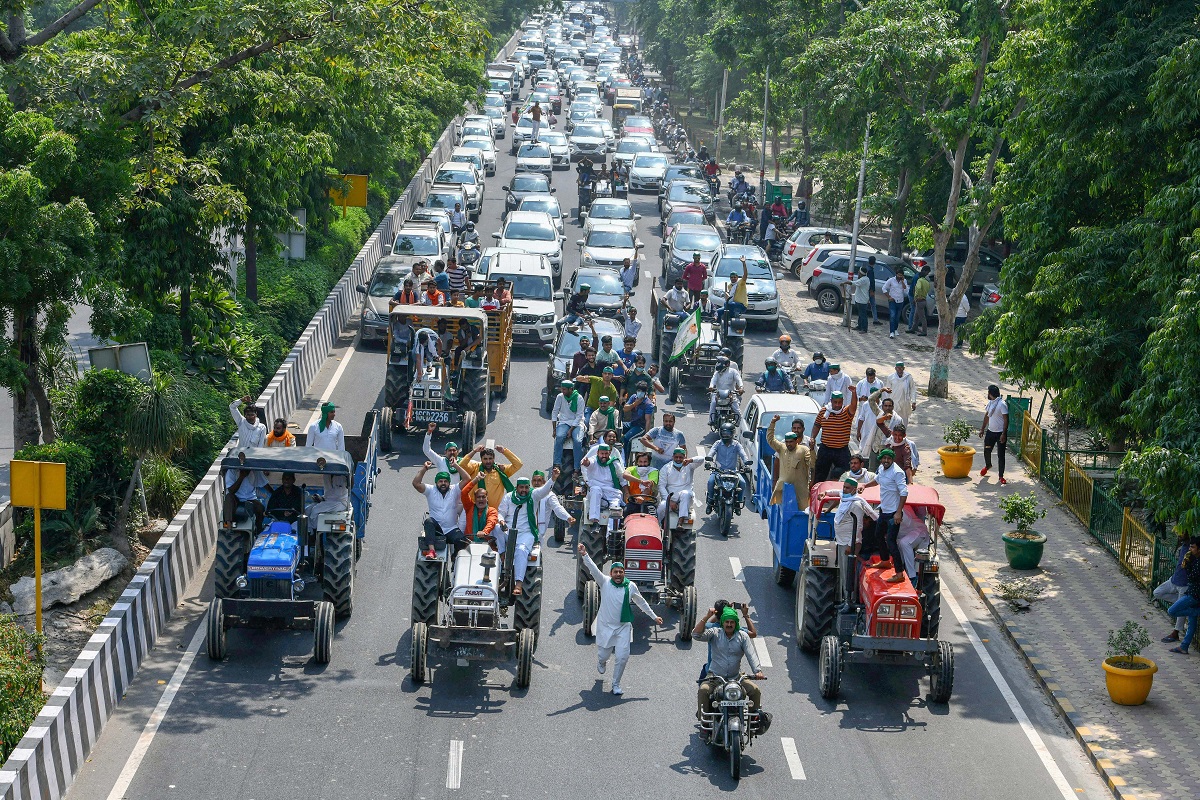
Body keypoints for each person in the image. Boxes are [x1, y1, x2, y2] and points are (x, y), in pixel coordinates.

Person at [578, 545, 662, 695]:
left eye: (621, 572)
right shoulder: (604, 582)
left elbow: (641, 602)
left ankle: (616, 684)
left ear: (624, 573)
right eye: (615, 572)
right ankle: (601, 661)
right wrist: (585, 554)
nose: (618, 574)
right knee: (604, 654)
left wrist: (654, 616)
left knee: (622, 657)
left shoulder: (631, 586)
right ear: (611, 573)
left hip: (623, 627)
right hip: (605, 626)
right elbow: (593, 569)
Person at [692, 606, 765, 729]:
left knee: (755, 690)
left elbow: (751, 654)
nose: (729, 624)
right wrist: (707, 616)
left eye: (732, 622)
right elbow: (695, 634)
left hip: (736, 678)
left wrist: (758, 671)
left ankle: (753, 722)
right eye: (727, 621)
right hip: (715, 678)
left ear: (736, 623)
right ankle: (704, 721)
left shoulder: (742, 636)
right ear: (722, 623)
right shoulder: (715, 633)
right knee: (703, 690)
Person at [494, 477, 555, 595]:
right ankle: (502, 554)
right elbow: (501, 512)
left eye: (526, 487)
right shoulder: (509, 497)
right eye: (521, 487)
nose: (524, 490)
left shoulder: (534, 496)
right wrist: (501, 521)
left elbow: (545, 490)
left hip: (525, 533)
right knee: (496, 528)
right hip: (509, 530)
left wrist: (553, 479)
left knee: (521, 550)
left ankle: (518, 584)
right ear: (517, 488)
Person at [412, 462, 466, 559]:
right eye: (440, 481)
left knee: (462, 541)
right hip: (437, 530)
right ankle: (432, 551)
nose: (443, 483)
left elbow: (467, 479)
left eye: (446, 481)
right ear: (436, 483)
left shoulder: (454, 489)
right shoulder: (431, 490)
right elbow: (416, 483)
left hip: (451, 529)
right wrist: (424, 468)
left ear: (449, 483)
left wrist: (456, 466)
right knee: (428, 521)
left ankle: (455, 559)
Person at [875, 448, 910, 583]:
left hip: (893, 514)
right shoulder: (881, 469)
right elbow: (877, 480)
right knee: (878, 535)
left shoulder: (897, 472)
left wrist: (898, 512)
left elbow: (904, 493)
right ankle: (885, 560)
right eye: (884, 458)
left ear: (892, 459)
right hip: (883, 510)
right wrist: (865, 486)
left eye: (889, 459)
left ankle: (899, 573)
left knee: (891, 542)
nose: (886, 461)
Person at [810, 391, 858, 483]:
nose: (837, 405)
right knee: (820, 475)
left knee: (845, 475)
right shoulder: (824, 411)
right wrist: (813, 437)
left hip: (841, 450)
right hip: (826, 449)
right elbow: (816, 425)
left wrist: (854, 393)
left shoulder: (846, 412)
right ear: (831, 401)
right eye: (835, 402)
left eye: (839, 402)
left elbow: (854, 405)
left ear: (842, 401)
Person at [458, 443, 524, 507]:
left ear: (494, 459)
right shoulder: (475, 468)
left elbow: (518, 464)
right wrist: (474, 451)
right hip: (475, 510)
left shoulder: (500, 470)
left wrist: (504, 451)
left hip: (494, 512)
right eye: (485, 459)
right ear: (481, 459)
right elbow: (461, 465)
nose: (488, 461)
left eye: (490, 458)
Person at [766, 415, 812, 506]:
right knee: (784, 508)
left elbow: (812, 465)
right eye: (787, 442)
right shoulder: (782, 447)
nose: (788, 444)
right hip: (783, 487)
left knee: (803, 510)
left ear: (796, 441)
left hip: (801, 487)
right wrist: (773, 423)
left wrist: (811, 483)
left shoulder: (805, 449)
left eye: (791, 442)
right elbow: (770, 439)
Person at [1157, 533, 1192, 644]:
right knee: (1157, 592)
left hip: (1184, 584)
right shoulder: (1184, 546)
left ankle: (1176, 632)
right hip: (1174, 580)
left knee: (1179, 610)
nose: (1179, 535)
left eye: (1182, 533)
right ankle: (1182, 603)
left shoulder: (1193, 549)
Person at [705, 424, 749, 514]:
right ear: (721, 433)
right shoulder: (717, 443)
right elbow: (711, 452)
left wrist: (746, 464)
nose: (726, 435)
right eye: (724, 433)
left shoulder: (737, 444)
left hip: (733, 472)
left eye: (728, 433)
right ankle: (710, 503)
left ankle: (737, 504)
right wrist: (708, 460)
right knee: (710, 482)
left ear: (732, 434)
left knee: (743, 483)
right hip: (718, 471)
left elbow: (743, 454)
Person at [1167, 537, 1200, 655]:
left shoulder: (1197, 562)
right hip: (1193, 593)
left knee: (1172, 611)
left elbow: (1192, 577)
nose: (1190, 549)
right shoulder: (1194, 559)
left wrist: (1187, 566)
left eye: (1193, 547)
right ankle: (1184, 646)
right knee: (1192, 623)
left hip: (1194, 595)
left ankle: (1197, 612)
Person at [582, 443, 625, 523]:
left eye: (606, 453)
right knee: (595, 489)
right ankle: (594, 521)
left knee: (615, 511)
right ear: (598, 453)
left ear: (609, 453)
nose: (604, 456)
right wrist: (586, 463)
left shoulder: (614, 462)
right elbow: (589, 463)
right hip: (596, 495)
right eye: (602, 453)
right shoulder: (594, 460)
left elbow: (622, 476)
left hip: (611, 493)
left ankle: (611, 533)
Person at [551, 379, 586, 472]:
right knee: (559, 437)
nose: (563, 391)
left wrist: (571, 430)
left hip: (577, 424)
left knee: (578, 441)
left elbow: (579, 416)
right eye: (562, 389)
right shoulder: (560, 397)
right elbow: (555, 412)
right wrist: (554, 429)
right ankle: (557, 463)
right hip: (564, 422)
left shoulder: (579, 398)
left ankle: (576, 468)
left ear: (571, 389)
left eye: (565, 389)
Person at [979, 385, 1009, 484]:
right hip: (990, 432)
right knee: (987, 450)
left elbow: (1006, 420)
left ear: (991, 394)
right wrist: (982, 429)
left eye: (988, 392)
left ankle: (1001, 476)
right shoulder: (991, 403)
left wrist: (1004, 434)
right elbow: (987, 416)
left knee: (1001, 455)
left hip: (1000, 433)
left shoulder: (1002, 404)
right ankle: (988, 465)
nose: (987, 394)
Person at [223, 463, 266, 532]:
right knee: (228, 498)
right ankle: (229, 526)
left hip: (250, 498)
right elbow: (231, 491)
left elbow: (264, 483)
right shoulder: (231, 471)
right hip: (235, 498)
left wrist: (274, 493)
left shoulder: (255, 471)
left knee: (261, 508)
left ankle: (258, 529)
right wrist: (241, 477)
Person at [459, 475, 499, 541]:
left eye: (483, 497)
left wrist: (484, 532)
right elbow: (464, 492)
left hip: (487, 544)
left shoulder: (492, 510)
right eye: (478, 497)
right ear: (475, 499)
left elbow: (491, 522)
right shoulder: (469, 507)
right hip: (468, 543)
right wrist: (476, 479)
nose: (481, 499)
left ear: (487, 499)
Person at [707, 355, 743, 426]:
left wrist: (741, 388)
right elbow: (713, 380)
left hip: (731, 394)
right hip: (718, 394)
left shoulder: (733, 372)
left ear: (726, 364)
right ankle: (711, 420)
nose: (717, 364)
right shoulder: (717, 373)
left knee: (737, 410)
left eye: (719, 362)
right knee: (713, 404)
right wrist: (711, 387)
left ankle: (738, 422)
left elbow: (739, 380)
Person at [719, 256, 750, 335]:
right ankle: (719, 328)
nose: (733, 279)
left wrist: (744, 263)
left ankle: (731, 321)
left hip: (741, 305)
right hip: (732, 305)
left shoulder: (741, 283)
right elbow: (728, 297)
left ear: (737, 277)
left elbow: (745, 275)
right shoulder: (729, 286)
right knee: (718, 311)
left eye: (735, 277)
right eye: (732, 277)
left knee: (727, 304)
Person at [854, 368, 884, 442]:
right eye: (869, 378)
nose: (870, 379)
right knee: (864, 432)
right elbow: (855, 396)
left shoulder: (880, 383)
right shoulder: (861, 383)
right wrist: (861, 398)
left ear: (875, 376)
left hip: (876, 409)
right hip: (864, 408)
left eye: (872, 378)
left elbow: (883, 396)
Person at [882, 266, 908, 338]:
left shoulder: (904, 281)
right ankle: (891, 331)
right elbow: (884, 288)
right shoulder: (891, 280)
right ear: (896, 274)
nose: (899, 276)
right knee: (892, 316)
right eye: (898, 275)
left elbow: (906, 291)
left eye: (901, 275)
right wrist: (889, 297)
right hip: (892, 300)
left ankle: (895, 329)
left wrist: (903, 282)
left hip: (900, 301)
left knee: (897, 316)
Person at [906, 265, 931, 335]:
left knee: (920, 316)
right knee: (916, 315)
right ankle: (913, 328)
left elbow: (917, 288)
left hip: (918, 299)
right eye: (927, 272)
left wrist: (916, 297)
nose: (927, 274)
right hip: (922, 299)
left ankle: (923, 331)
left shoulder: (919, 280)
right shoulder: (926, 281)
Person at [847, 266, 871, 332]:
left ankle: (864, 328)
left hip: (862, 300)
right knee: (860, 314)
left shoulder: (863, 279)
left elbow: (854, 283)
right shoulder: (864, 278)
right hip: (860, 299)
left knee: (863, 315)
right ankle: (859, 326)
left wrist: (846, 282)